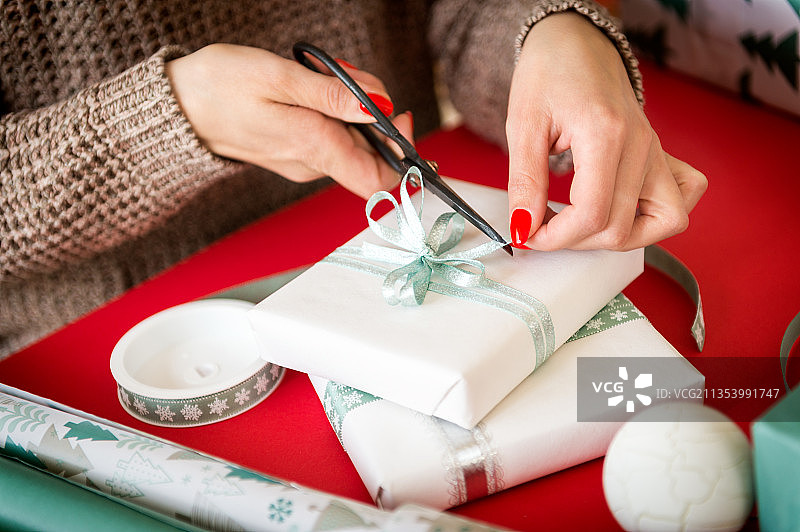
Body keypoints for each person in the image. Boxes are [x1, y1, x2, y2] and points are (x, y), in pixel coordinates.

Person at [0, 0, 706, 358]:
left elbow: (457, 12)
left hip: (399, 244)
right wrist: (161, 123)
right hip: (99, 347)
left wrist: (550, 31)